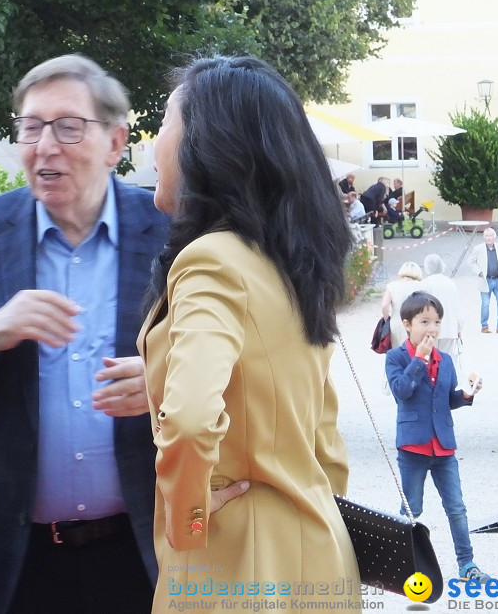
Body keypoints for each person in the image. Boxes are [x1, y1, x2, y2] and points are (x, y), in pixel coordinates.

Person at [0, 54, 169, 614]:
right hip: (13, 556)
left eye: (68, 126)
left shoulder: (173, 238)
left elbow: (239, 366)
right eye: (30, 127)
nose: (44, 145)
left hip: (145, 549)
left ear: (115, 141)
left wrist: (168, 384)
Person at [139, 55, 359, 610]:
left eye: (165, 125)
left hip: (236, 566)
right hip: (315, 549)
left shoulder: (211, 262)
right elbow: (323, 430)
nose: (153, 146)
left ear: (206, 147)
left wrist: (186, 513)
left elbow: (189, 418)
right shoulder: (287, 262)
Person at [386, 291, 489, 583]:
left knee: (456, 508)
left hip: (443, 448)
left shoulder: (445, 360)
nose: (432, 328)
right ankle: (400, 563)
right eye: (425, 321)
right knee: (411, 508)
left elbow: (447, 399)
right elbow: (401, 392)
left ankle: (467, 565)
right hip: (413, 447)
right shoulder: (396, 357)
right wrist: (418, 359)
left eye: (437, 322)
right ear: (407, 324)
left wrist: (466, 395)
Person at [421, 253, 466, 374]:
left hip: (431, 329)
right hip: (450, 327)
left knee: (431, 359)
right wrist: (459, 327)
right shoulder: (450, 283)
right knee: (447, 359)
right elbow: (457, 307)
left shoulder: (425, 284)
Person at [471, 227, 498, 333]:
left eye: (491, 236)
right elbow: (471, 262)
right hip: (486, 280)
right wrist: (479, 272)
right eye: (487, 236)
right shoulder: (478, 249)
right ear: (484, 237)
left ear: (494, 237)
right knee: (485, 304)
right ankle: (484, 326)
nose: (489, 238)